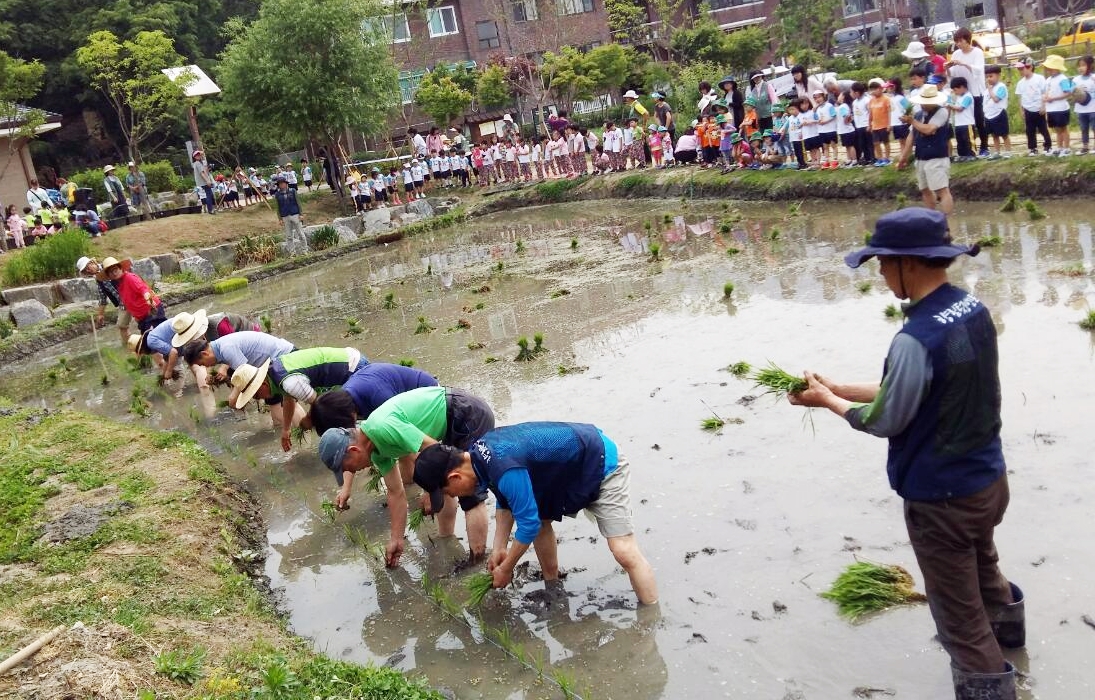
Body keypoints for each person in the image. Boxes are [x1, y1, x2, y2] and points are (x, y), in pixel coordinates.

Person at [788, 207, 1022, 700]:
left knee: (959, 620)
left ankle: (989, 683)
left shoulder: (914, 338)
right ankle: (1014, 640)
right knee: (984, 568)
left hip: (942, 499)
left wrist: (829, 402)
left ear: (907, 264)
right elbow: (921, 387)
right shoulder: (969, 310)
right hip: (987, 482)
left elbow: (887, 419)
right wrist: (839, 386)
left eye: (881, 262)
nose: (878, 272)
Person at [413, 422, 659, 605]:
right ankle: (553, 587)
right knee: (541, 520)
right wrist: (499, 546)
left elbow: (527, 525)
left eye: (449, 492)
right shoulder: (479, 455)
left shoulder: (503, 466)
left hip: (600, 464)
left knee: (623, 551)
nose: (454, 497)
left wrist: (507, 567)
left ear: (455, 476)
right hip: (566, 472)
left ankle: (649, 619)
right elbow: (505, 502)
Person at [316, 385, 494, 566]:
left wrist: (430, 488)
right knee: (448, 486)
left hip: (465, 413)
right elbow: (395, 492)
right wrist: (396, 539)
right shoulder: (376, 449)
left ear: (353, 450)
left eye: (347, 467)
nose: (352, 472)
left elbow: (433, 450)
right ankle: (446, 539)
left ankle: (476, 563)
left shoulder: (381, 428)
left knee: (470, 493)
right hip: (450, 421)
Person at [228, 346, 367, 450]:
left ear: (262, 384)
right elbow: (288, 399)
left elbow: (323, 405)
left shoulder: (289, 382)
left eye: (256, 395)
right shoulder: (276, 372)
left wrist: (307, 420)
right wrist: (286, 429)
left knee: (350, 417)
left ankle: (362, 451)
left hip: (352, 369)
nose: (259, 399)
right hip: (347, 363)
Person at [181, 330, 295, 383]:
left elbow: (247, 375)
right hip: (274, 361)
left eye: (202, 364)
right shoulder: (219, 346)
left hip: (285, 357)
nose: (205, 367)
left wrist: (234, 398)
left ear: (204, 354)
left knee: (278, 399)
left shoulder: (226, 349)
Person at [946, 28, 988, 156]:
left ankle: (984, 147)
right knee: (965, 121)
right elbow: (952, 74)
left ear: (967, 40)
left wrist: (963, 63)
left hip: (975, 91)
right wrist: (947, 69)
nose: (958, 44)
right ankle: (969, 148)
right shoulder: (956, 54)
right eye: (956, 41)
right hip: (961, 91)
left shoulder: (977, 52)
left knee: (979, 120)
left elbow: (978, 70)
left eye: (960, 41)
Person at [102, 256, 165, 333]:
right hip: (142, 318)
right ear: (109, 275)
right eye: (111, 272)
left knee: (155, 339)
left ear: (121, 268)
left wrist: (148, 299)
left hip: (152, 312)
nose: (114, 273)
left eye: (115, 269)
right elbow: (129, 301)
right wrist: (137, 317)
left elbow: (143, 289)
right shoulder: (119, 284)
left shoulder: (129, 278)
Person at [76, 256, 130, 343]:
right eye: (85, 271)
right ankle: (129, 347)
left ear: (92, 263)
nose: (88, 271)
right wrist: (100, 314)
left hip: (131, 297)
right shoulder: (98, 279)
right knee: (122, 326)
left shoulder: (108, 266)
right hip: (122, 304)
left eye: (87, 268)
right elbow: (102, 298)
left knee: (143, 321)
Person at [128, 318, 186, 383]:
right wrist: (162, 377)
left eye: (142, 353)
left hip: (181, 327)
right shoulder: (151, 337)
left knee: (177, 364)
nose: (144, 354)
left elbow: (174, 353)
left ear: (142, 349)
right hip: (179, 325)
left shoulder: (151, 342)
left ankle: (179, 391)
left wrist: (169, 371)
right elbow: (167, 358)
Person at [1014, 58, 1051, 156]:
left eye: (1022, 69)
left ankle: (1048, 146)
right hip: (1027, 109)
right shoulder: (1020, 83)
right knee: (1029, 130)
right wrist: (1021, 110)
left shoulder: (1039, 78)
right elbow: (1020, 97)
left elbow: (1044, 93)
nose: (1020, 71)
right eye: (1019, 69)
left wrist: (1044, 106)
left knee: (1043, 128)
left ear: (1030, 67)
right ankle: (1032, 148)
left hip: (1039, 109)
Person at [1042, 54, 1074, 156]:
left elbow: (1067, 93)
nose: (1048, 69)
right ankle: (1059, 147)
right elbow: (1046, 92)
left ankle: (1067, 148)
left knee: (1063, 128)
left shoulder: (1062, 79)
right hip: (1051, 109)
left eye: (1050, 67)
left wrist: (1053, 98)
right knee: (1057, 129)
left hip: (1060, 108)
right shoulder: (1048, 80)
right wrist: (1045, 98)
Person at [981, 66, 1011, 159]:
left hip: (999, 113)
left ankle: (1008, 152)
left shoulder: (1001, 87)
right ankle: (997, 152)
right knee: (994, 135)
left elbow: (996, 99)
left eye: (991, 76)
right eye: (987, 77)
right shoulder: (986, 90)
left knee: (1004, 134)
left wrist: (990, 90)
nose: (988, 79)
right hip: (989, 115)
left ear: (998, 75)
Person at [1074, 55, 1095, 154]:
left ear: (1090, 66)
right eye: (1079, 65)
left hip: (1093, 108)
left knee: (1094, 127)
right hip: (1081, 109)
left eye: (1083, 65)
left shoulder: (1093, 78)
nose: (1081, 67)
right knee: (1083, 128)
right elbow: (1071, 92)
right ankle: (1085, 146)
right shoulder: (1076, 79)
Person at [273, 175, 304, 242]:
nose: (281, 185)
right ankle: (292, 251)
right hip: (285, 215)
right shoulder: (277, 194)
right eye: (280, 184)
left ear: (286, 183)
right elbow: (278, 207)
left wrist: (301, 214)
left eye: (282, 183)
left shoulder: (292, 191)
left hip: (295, 214)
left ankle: (305, 250)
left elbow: (298, 203)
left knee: (300, 233)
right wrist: (280, 218)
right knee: (289, 236)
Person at [191, 150, 215, 215]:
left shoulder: (200, 163)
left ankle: (212, 209)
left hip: (203, 182)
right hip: (203, 182)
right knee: (209, 195)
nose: (198, 155)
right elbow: (202, 173)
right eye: (196, 155)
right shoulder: (197, 163)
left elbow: (205, 171)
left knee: (210, 195)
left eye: (199, 154)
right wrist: (208, 181)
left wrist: (201, 153)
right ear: (194, 157)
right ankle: (210, 210)